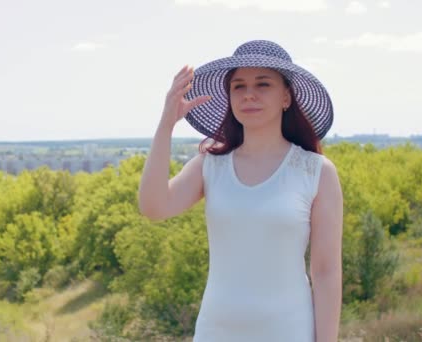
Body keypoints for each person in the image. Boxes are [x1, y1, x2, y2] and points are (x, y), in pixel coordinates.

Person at [138, 40, 343, 341]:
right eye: (238, 86)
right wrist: (166, 123)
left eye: (263, 84)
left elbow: (326, 272)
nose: (249, 94)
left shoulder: (316, 171)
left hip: (288, 331)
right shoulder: (210, 165)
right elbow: (154, 207)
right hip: (216, 331)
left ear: (286, 96)